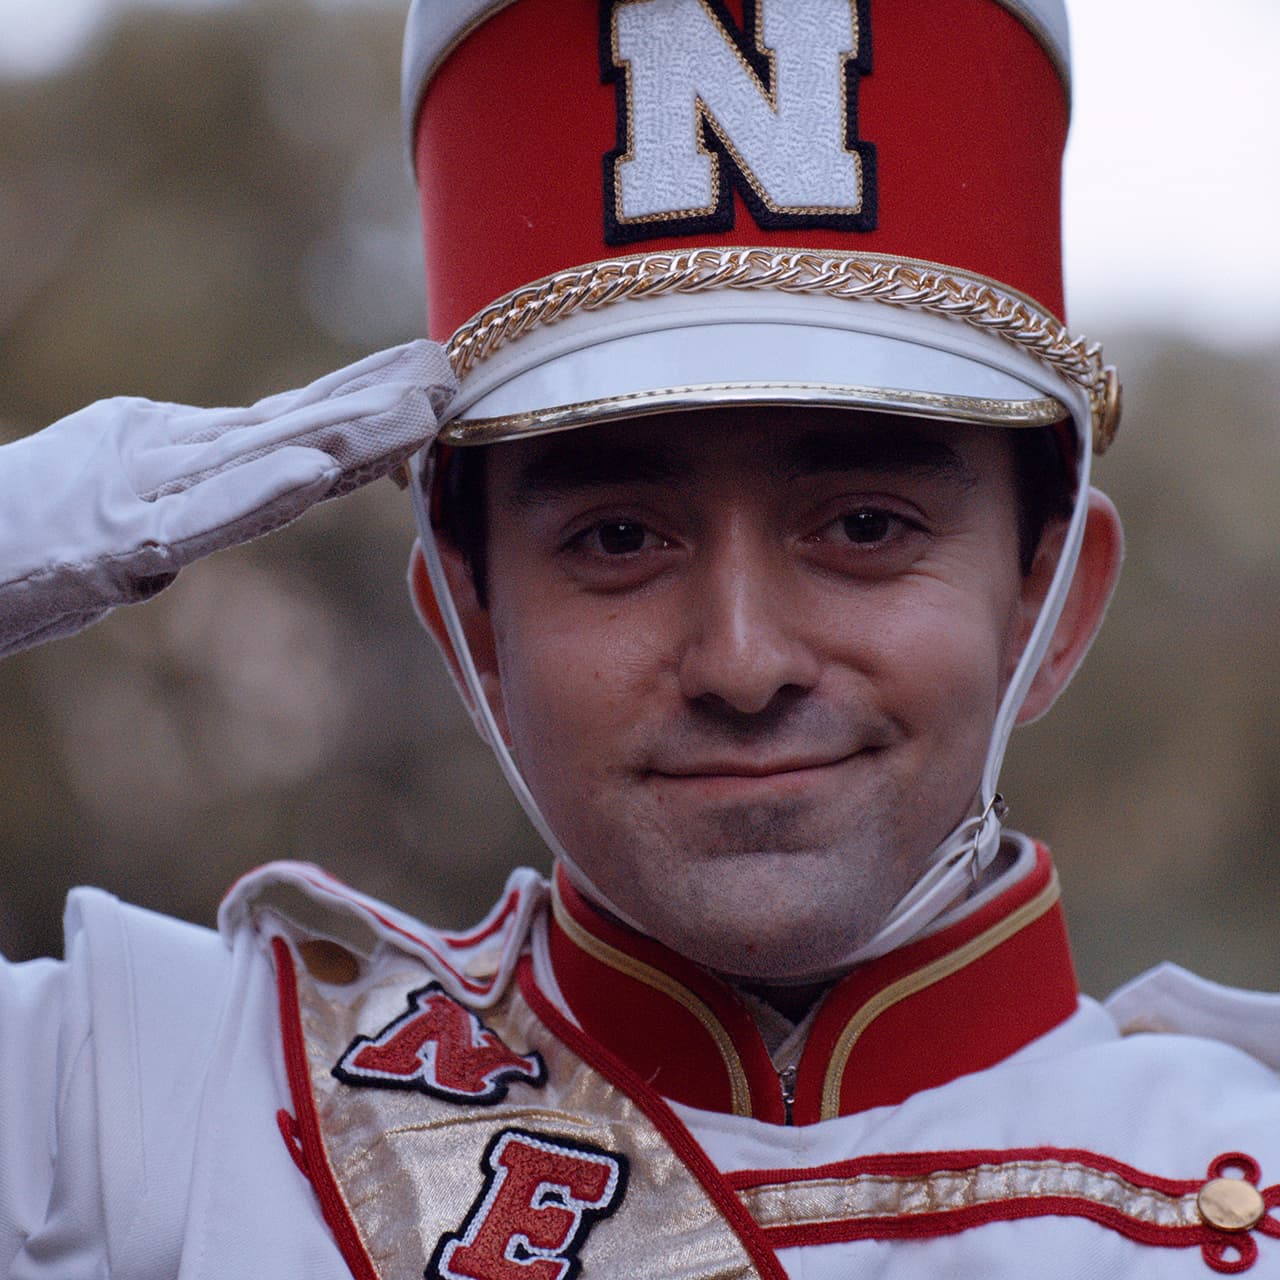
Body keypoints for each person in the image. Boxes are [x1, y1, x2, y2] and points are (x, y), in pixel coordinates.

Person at [2, 1, 1279, 1277]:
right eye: (618, 539)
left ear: (1049, 604)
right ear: (469, 626)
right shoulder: (141, 1112)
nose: (741, 659)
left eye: (865, 524)